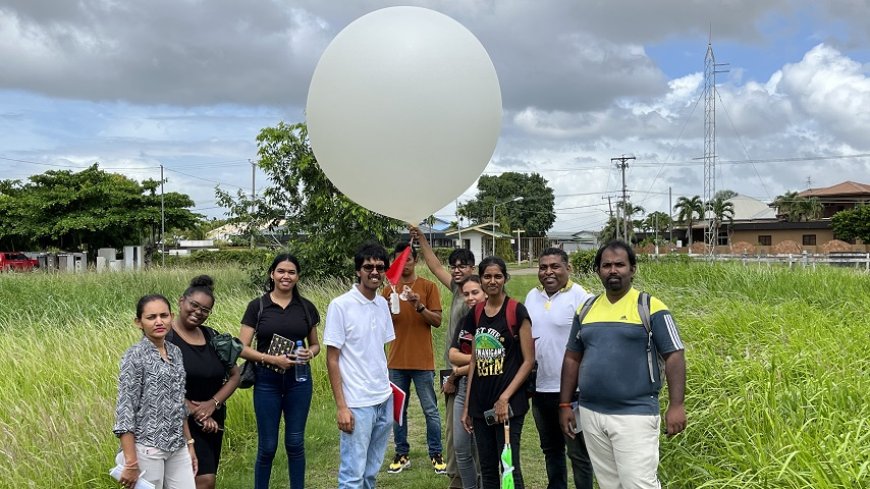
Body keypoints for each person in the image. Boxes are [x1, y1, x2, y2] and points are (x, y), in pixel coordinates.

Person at [559, 240, 687, 489]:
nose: (613, 270)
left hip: (635, 414)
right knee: (609, 484)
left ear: (633, 269)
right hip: (592, 413)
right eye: (606, 265)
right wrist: (565, 403)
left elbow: (675, 355)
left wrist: (677, 405)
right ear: (598, 270)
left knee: (639, 484)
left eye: (620, 264)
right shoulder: (586, 309)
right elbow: (572, 357)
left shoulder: (650, 307)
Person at [238, 254, 321, 489]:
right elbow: (241, 348)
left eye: (291, 272)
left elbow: (315, 344)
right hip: (266, 381)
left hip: (299, 380)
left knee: (295, 443)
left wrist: (310, 353)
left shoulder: (306, 307)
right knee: (267, 447)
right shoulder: (258, 306)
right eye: (281, 271)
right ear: (272, 274)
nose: (286, 276)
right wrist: (271, 359)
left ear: (298, 276)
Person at [324, 242, 396, 489]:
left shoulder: (382, 304)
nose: (374, 272)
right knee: (352, 476)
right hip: (357, 404)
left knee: (371, 473)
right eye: (368, 267)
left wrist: (389, 392)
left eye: (380, 267)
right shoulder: (341, 305)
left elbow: (380, 351)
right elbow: (332, 358)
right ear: (358, 271)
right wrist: (342, 406)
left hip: (383, 399)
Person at [461, 257, 535, 489]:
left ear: (505, 278)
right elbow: (475, 360)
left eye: (498, 276)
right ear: (481, 279)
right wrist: (467, 407)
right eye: (487, 276)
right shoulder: (477, 312)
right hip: (481, 403)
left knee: (509, 467)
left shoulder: (516, 311)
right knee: (488, 468)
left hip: (509, 406)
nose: (492, 281)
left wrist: (504, 398)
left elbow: (529, 361)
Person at [411, 225, 476, 489]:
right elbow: (435, 266)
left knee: (466, 431)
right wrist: (423, 239)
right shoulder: (457, 290)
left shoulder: (475, 297)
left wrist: (455, 376)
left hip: (470, 373)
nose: (457, 269)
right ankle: (458, 479)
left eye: (463, 265)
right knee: (453, 431)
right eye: (455, 266)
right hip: (454, 370)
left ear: (473, 268)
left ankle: (466, 480)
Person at [524, 249, 594, 489]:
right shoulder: (532, 297)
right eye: (543, 267)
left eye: (555, 266)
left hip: (573, 392)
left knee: (578, 454)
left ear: (568, 268)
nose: (548, 272)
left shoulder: (582, 297)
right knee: (551, 450)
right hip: (541, 389)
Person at [114, 294, 197, 489]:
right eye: (151, 317)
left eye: (164, 315)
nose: (159, 321)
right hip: (147, 449)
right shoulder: (134, 356)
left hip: (177, 446)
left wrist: (190, 443)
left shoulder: (175, 352)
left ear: (171, 316)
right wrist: (131, 462)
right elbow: (125, 410)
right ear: (139, 322)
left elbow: (179, 403)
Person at [168, 275, 241, 489]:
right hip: (175, 419)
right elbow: (159, 383)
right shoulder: (165, 338)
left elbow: (235, 376)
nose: (198, 312)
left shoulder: (213, 337)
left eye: (205, 310)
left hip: (211, 422)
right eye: (194, 305)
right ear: (182, 301)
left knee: (206, 480)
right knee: (195, 480)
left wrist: (213, 404)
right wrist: (194, 410)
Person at [382, 243, 445, 474]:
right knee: (398, 410)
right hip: (396, 362)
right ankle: (401, 453)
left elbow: (437, 321)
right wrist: (386, 310)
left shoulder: (428, 287)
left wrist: (418, 306)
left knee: (430, 410)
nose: (404, 264)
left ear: (415, 261)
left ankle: (436, 453)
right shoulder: (388, 290)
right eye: (399, 260)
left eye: (408, 259)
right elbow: (380, 327)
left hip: (422, 362)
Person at [447, 276, 486, 488]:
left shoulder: (494, 320)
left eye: (475, 292)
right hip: (463, 389)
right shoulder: (465, 321)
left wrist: (461, 369)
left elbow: (499, 360)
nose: (470, 298)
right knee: (461, 448)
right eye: (467, 294)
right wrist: (478, 359)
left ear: (485, 292)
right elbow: (452, 354)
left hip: (487, 389)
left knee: (482, 451)